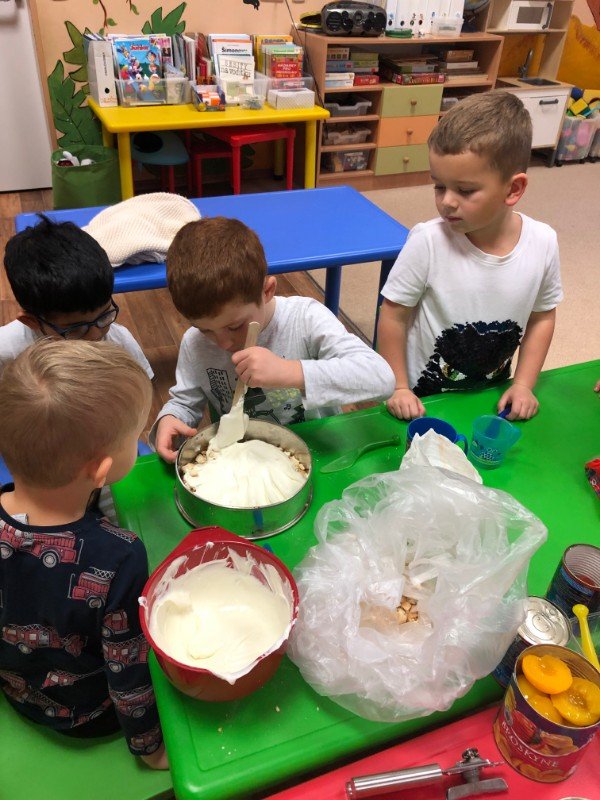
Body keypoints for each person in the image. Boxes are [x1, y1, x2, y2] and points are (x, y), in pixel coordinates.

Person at [0, 339, 167, 769]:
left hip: (16, 688)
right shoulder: (120, 557)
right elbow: (127, 670)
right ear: (101, 471)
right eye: (134, 437)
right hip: (87, 715)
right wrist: (149, 747)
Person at [377, 91, 563, 421]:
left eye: (464, 190)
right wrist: (398, 387)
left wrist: (523, 384)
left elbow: (542, 317)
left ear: (513, 189)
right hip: (424, 400)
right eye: (439, 186)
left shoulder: (544, 242)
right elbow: (393, 315)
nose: (447, 201)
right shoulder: (427, 241)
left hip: (491, 399)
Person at [153, 216, 395, 461]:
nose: (223, 343)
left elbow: (381, 377)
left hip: (319, 450)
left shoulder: (305, 319)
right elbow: (185, 402)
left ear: (267, 291)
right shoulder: (194, 343)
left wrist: (290, 371)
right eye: (205, 330)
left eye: (234, 326)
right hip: (242, 459)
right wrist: (172, 418)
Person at [0, 215, 153, 380]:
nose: (96, 336)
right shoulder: (7, 350)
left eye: (105, 315)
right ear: (32, 321)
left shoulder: (120, 340)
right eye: (75, 328)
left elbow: (143, 386)